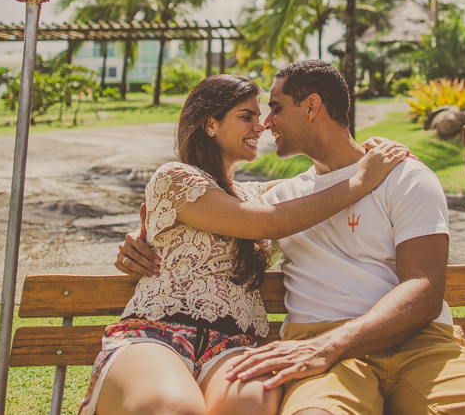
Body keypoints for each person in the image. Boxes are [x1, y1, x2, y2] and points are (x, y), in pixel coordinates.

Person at [118, 60, 465, 415]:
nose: (265, 123)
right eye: (254, 114)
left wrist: (332, 344)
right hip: (317, 349)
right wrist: (140, 238)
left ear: (313, 106)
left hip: (420, 344)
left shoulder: (405, 176)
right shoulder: (281, 198)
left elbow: (424, 289)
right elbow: (250, 220)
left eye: (275, 108)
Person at [81, 74, 410, 415]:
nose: (261, 126)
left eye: (261, 115)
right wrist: (360, 180)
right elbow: (265, 222)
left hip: (232, 346)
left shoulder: (256, 194)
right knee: (173, 407)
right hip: (157, 333)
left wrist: (366, 153)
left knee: (254, 404)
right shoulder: (175, 178)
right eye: (246, 116)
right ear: (210, 124)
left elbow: (322, 183)